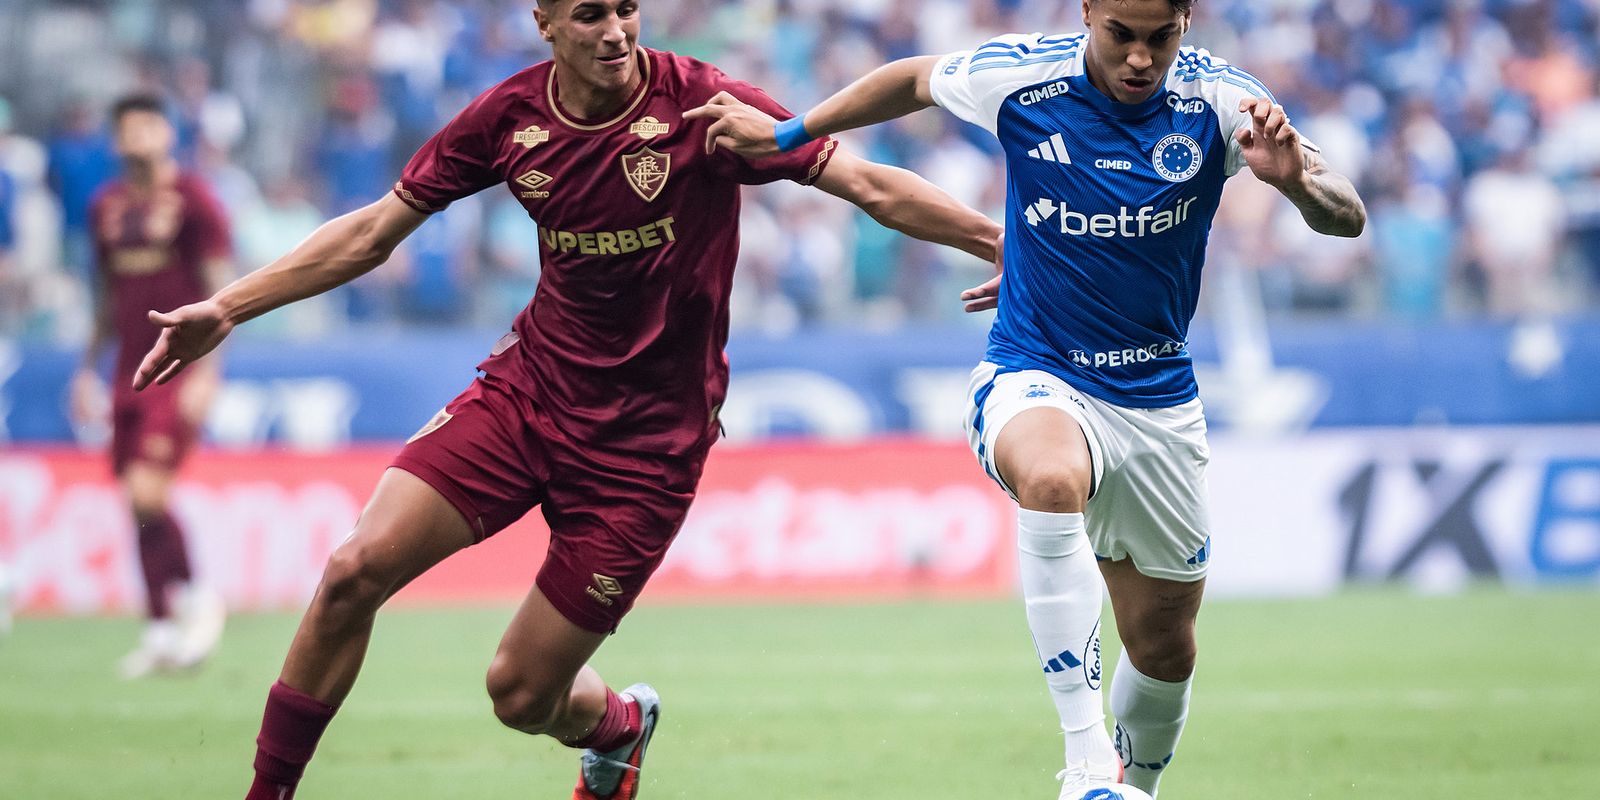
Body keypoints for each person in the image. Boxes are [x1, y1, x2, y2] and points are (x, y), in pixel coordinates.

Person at [133, 1, 1001, 798]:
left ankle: (617, 726)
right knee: (353, 572)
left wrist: (1002, 245)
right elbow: (371, 233)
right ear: (545, 21)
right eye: (590, 15)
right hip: (529, 397)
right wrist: (228, 307)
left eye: (626, 8)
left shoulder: (705, 105)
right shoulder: (506, 119)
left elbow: (867, 182)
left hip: (647, 453)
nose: (616, 31)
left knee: (519, 693)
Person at [687, 1, 1365, 797]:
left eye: (1160, 38)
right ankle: (1086, 762)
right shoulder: (1021, 76)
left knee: (1165, 647)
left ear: (1187, 21)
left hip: (1156, 400)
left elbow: (1347, 216)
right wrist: (789, 132)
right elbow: (911, 79)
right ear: (1089, 12)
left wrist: (1298, 185)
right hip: (1035, 367)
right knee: (1050, 476)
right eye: (1121, 35)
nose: (1140, 58)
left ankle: (1134, 787)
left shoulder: (1223, 101)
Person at [73, 94, 231, 679]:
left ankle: (198, 598)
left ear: (168, 132)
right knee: (134, 502)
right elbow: (104, 295)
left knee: (148, 494)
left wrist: (209, 372)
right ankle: (160, 630)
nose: (138, 136)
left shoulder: (195, 199)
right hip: (124, 371)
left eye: (148, 125)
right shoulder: (105, 206)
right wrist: (87, 368)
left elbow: (222, 292)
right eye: (128, 128)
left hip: (177, 366)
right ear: (116, 139)